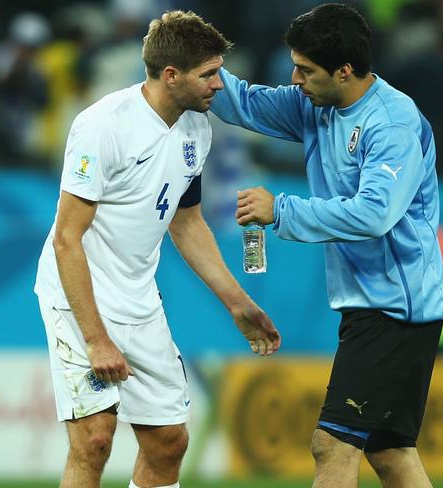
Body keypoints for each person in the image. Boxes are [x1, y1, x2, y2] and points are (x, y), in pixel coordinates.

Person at [34, 11, 281, 488]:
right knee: (95, 439)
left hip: (138, 298)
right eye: (209, 74)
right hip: (77, 294)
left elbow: (186, 224)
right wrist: (96, 338)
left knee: (169, 441)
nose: (219, 85)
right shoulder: (102, 126)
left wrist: (238, 303)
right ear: (172, 76)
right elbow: (67, 238)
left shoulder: (197, 130)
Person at [210, 4, 443, 488]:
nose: (294, 78)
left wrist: (282, 210)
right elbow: (245, 102)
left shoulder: (392, 123)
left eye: (305, 69)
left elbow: (374, 214)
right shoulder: (316, 102)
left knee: (333, 445)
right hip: (379, 304)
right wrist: (198, 61)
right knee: (391, 452)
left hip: (394, 307)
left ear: (345, 71)